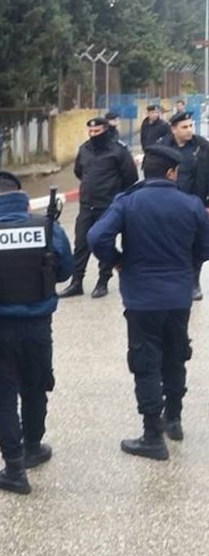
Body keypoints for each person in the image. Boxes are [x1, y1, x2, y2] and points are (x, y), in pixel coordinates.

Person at [88, 146, 209, 460]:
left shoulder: (128, 202)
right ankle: (175, 419)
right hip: (179, 296)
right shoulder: (191, 204)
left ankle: (152, 436)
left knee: (145, 363)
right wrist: (187, 264)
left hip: (142, 297)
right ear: (171, 172)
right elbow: (205, 247)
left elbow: (97, 236)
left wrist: (117, 261)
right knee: (176, 354)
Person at [0, 171, 73, 494]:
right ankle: (33, 447)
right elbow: (64, 271)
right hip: (38, 327)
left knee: (3, 397)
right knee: (36, 387)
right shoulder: (49, 229)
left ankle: (14, 469)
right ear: (21, 198)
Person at [59, 117, 138, 299]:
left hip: (108, 206)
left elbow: (130, 178)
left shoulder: (118, 151)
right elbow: (79, 172)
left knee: (104, 242)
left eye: (98, 132)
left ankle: (103, 281)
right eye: (91, 132)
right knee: (80, 244)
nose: (94, 135)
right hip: (87, 205)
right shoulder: (84, 150)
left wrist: (116, 196)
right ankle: (76, 282)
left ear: (105, 130)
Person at [157, 111, 209, 300]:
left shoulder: (202, 146)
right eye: (184, 127)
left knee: (196, 244)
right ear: (173, 129)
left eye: (190, 126)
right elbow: (152, 171)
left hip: (195, 204)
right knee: (169, 244)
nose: (189, 130)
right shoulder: (162, 146)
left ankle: (194, 282)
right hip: (167, 204)